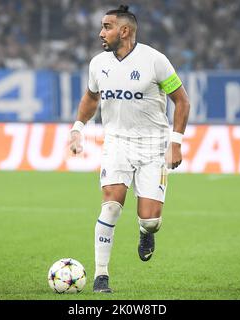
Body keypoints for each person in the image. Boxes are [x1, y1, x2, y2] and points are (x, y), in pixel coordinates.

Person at [69, 4, 190, 293]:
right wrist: (77, 129)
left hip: (153, 146)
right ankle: (101, 276)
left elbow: (182, 101)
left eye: (107, 27)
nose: (101, 33)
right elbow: (90, 97)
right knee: (110, 206)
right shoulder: (98, 64)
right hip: (116, 143)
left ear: (124, 31)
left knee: (151, 221)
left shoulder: (156, 61)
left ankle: (145, 232)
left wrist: (176, 143)